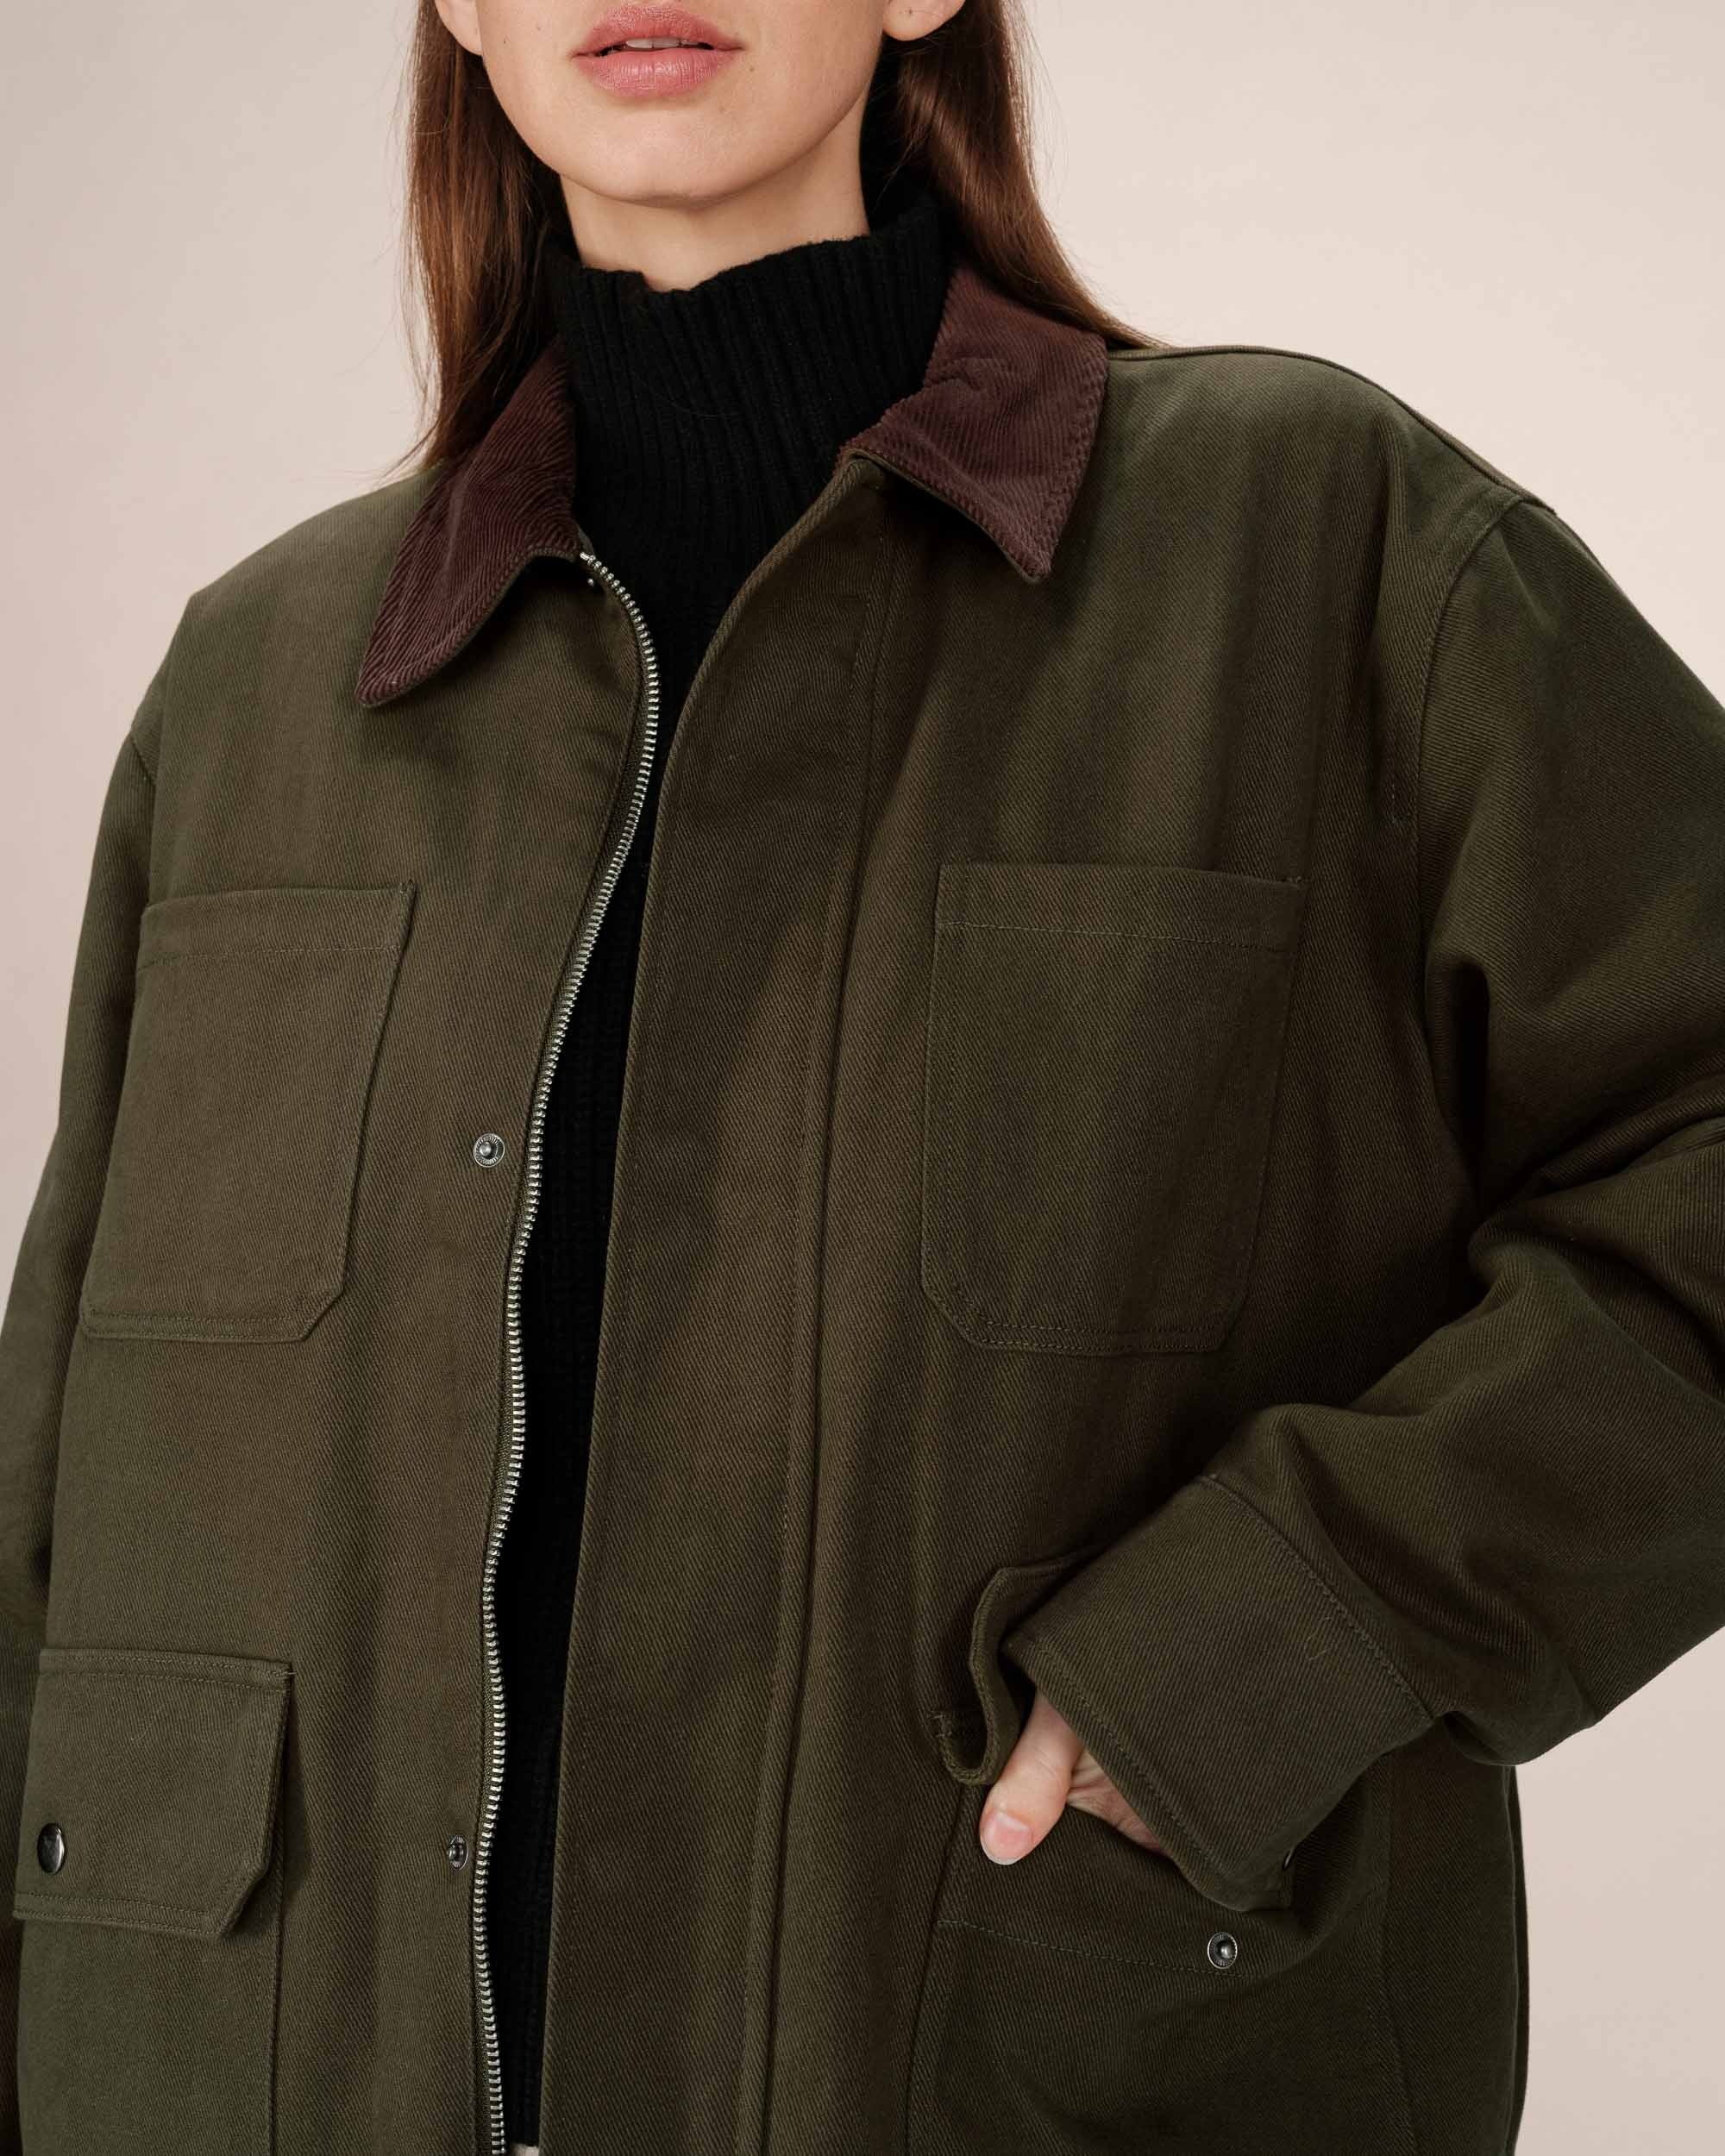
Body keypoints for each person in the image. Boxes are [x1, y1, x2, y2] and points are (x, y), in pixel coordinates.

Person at [3, 1, 1723, 2151]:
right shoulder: (259, 682)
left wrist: (1281, 1629)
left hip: (1020, 2061)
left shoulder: (1312, 549)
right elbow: (67, 1492)